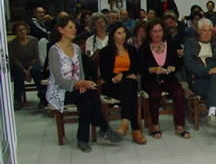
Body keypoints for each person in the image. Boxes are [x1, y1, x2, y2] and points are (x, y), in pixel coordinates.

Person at [46, 15, 122, 152]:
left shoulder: (75, 48)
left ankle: (83, 139)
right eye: (70, 27)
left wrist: (81, 83)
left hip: (77, 88)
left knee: (87, 100)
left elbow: (80, 70)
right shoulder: (54, 50)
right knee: (91, 93)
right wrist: (79, 83)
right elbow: (58, 78)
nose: (74, 30)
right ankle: (104, 127)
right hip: (60, 90)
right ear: (61, 30)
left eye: (75, 27)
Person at [138, 18, 189, 139]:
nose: (157, 34)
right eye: (155, 31)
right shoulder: (144, 48)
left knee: (179, 93)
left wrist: (173, 67)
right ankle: (155, 125)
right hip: (151, 79)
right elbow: (141, 69)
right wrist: (154, 69)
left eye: (160, 31)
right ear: (149, 32)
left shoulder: (170, 44)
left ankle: (180, 125)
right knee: (154, 95)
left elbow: (177, 63)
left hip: (168, 78)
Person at [100, 22, 146, 145]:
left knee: (128, 85)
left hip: (126, 84)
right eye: (119, 33)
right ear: (113, 36)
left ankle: (125, 122)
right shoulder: (105, 51)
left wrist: (122, 74)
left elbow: (135, 69)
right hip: (112, 85)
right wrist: (119, 76)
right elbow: (105, 74)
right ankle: (135, 129)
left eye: (124, 32)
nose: (122, 36)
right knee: (131, 92)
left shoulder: (131, 50)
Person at [184, 18, 216, 141]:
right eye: (204, 31)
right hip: (198, 80)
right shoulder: (190, 44)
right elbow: (190, 64)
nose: (207, 33)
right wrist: (208, 71)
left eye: (210, 31)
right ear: (198, 31)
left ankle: (212, 113)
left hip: (214, 79)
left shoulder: (215, 45)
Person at [8, 21, 45, 109]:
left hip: (33, 63)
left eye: (23, 29)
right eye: (19, 30)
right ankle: (17, 99)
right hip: (20, 65)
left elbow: (36, 56)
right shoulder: (12, 44)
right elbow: (14, 59)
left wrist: (29, 69)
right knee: (18, 72)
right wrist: (24, 70)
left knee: (36, 70)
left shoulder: (33, 40)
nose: (22, 32)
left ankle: (43, 98)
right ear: (15, 33)